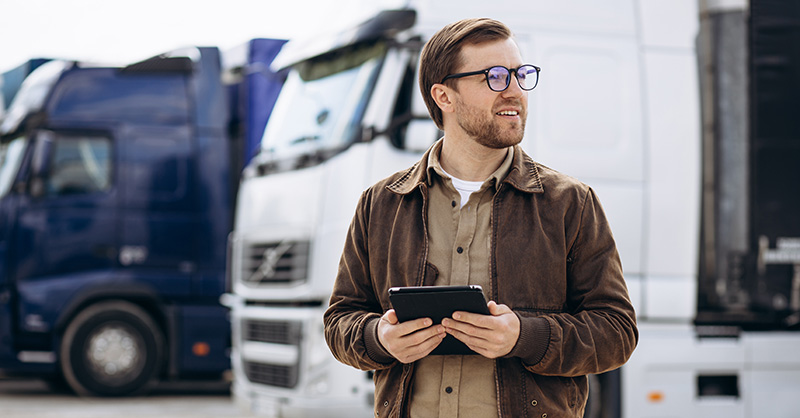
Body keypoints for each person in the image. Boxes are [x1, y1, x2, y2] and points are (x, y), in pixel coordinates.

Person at [324, 17, 638, 418]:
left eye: (520, 75)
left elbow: (617, 332)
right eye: (494, 76)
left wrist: (525, 336)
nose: (514, 91)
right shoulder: (381, 204)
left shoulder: (569, 203)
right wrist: (379, 338)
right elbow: (340, 319)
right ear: (444, 96)